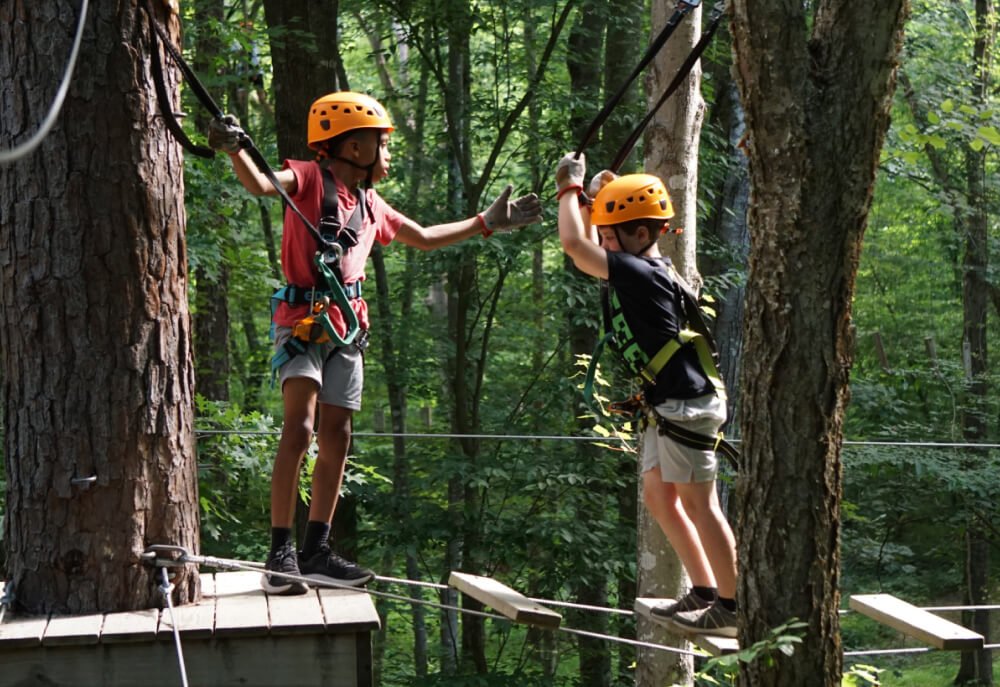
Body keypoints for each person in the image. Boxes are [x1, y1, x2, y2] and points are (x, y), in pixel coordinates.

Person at [208, 92, 542, 595]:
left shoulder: (371, 203)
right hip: (301, 319)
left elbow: (425, 236)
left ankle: (316, 548)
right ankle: (281, 552)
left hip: (346, 328)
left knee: (337, 434)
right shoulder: (305, 178)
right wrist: (235, 148)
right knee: (299, 428)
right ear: (352, 146)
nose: (388, 154)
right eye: (382, 144)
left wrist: (486, 223)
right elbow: (259, 183)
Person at [554, 152, 738, 637]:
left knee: (702, 505)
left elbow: (574, 243)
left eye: (612, 235)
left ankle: (734, 606)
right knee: (661, 499)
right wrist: (597, 200)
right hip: (669, 404)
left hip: (688, 405)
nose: (603, 243)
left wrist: (568, 189)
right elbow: (589, 240)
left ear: (641, 235)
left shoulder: (641, 274)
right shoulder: (640, 265)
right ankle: (704, 591)